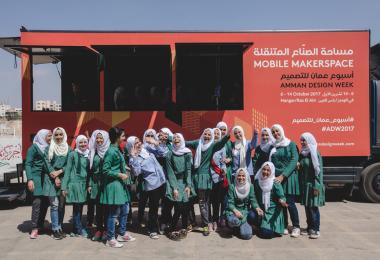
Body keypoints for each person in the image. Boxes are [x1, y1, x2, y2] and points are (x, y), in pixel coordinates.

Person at [185, 128, 230, 236]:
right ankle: (192, 222)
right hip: (194, 176)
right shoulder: (198, 143)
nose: (207, 136)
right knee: (190, 199)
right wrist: (170, 138)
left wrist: (228, 135)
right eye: (205, 133)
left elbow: (221, 143)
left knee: (203, 202)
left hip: (204, 177)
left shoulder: (212, 146)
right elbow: (184, 142)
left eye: (209, 135)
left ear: (212, 137)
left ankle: (205, 225)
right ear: (202, 134)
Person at [101, 127, 134, 248]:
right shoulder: (111, 151)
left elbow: (117, 164)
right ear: (117, 137)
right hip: (114, 185)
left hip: (120, 185)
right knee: (113, 213)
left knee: (125, 209)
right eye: (123, 136)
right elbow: (105, 170)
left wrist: (124, 167)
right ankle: (110, 239)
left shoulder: (117, 149)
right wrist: (119, 174)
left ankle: (121, 233)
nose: (124, 138)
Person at [128, 135, 167, 239]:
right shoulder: (132, 158)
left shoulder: (146, 148)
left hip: (162, 179)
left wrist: (156, 143)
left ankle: (160, 225)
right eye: (136, 143)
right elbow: (136, 172)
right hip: (152, 184)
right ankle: (152, 229)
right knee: (153, 208)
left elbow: (163, 153)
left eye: (139, 141)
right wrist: (134, 157)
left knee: (163, 205)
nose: (139, 144)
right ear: (131, 146)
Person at [269, 124, 300, 237]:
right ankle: (285, 225)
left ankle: (296, 226)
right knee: (281, 203)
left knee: (290, 203)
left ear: (281, 131)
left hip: (288, 177)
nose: (275, 134)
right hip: (277, 178)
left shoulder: (290, 144)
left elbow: (294, 160)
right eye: (273, 132)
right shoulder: (274, 147)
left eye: (277, 131)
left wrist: (283, 175)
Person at [165, 133, 195, 240]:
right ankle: (172, 228)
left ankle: (183, 227)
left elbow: (188, 170)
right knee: (178, 207)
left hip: (185, 182)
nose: (176, 139)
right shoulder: (169, 154)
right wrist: (174, 188)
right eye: (174, 138)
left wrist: (188, 185)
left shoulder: (187, 153)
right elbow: (170, 172)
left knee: (186, 207)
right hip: (175, 182)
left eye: (178, 137)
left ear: (182, 140)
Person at [44, 127, 71, 240]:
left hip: (63, 179)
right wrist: (55, 177)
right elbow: (47, 164)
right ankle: (55, 229)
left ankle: (60, 227)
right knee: (54, 205)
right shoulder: (48, 148)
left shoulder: (68, 149)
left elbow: (69, 165)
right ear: (53, 136)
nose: (59, 137)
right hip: (51, 180)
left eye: (61, 135)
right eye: (56, 135)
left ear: (64, 135)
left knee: (61, 205)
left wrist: (59, 172)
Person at [61, 135, 90, 238]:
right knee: (77, 208)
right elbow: (68, 170)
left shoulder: (88, 154)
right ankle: (79, 229)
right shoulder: (73, 154)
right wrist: (64, 187)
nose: (83, 144)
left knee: (80, 208)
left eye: (85, 142)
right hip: (75, 184)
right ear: (77, 143)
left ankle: (74, 229)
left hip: (83, 184)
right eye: (80, 142)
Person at [25, 129, 52, 239]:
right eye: (48, 136)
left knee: (45, 202)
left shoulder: (49, 147)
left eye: (51, 136)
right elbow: (28, 164)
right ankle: (34, 228)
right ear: (42, 136)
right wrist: (30, 179)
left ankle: (40, 225)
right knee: (37, 203)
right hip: (36, 178)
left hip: (45, 178)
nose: (50, 138)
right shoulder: (34, 148)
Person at [299, 132, 325, 239]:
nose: (302, 142)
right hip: (305, 185)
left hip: (314, 184)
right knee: (307, 206)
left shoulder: (315, 153)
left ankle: (316, 229)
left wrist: (317, 186)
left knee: (313, 207)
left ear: (309, 141)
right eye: (301, 140)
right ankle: (309, 227)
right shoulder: (303, 153)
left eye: (304, 140)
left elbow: (319, 172)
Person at [225, 168, 262, 240]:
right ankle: (234, 225)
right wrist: (235, 211)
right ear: (236, 176)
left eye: (243, 176)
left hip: (245, 213)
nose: (241, 178)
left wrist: (257, 208)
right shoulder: (232, 187)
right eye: (239, 175)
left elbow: (253, 200)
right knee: (234, 221)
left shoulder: (250, 186)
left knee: (247, 235)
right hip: (233, 212)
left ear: (246, 176)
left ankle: (239, 227)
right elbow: (230, 203)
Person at [253, 162, 287, 238]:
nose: (265, 172)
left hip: (272, 213)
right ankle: (261, 225)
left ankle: (265, 227)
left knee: (265, 233)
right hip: (260, 211)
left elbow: (282, 196)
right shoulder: (257, 181)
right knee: (250, 216)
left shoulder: (275, 183)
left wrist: (282, 201)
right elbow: (253, 196)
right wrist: (256, 207)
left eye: (268, 170)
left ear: (272, 171)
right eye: (264, 169)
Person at [88, 130, 110, 241]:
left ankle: (106, 230)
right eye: (97, 138)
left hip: (107, 183)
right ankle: (99, 230)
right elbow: (90, 171)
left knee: (107, 208)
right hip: (96, 184)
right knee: (99, 209)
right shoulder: (93, 151)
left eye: (101, 138)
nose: (99, 140)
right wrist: (90, 184)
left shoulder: (110, 151)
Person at [209, 128, 228, 231]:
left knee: (216, 201)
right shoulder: (207, 145)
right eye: (214, 133)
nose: (216, 135)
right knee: (208, 201)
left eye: (218, 134)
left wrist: (224, 170)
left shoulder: (222, 147)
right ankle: (209, 220)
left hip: (218, 177)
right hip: (208, 177)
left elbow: (223, 162)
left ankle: (216, 220)